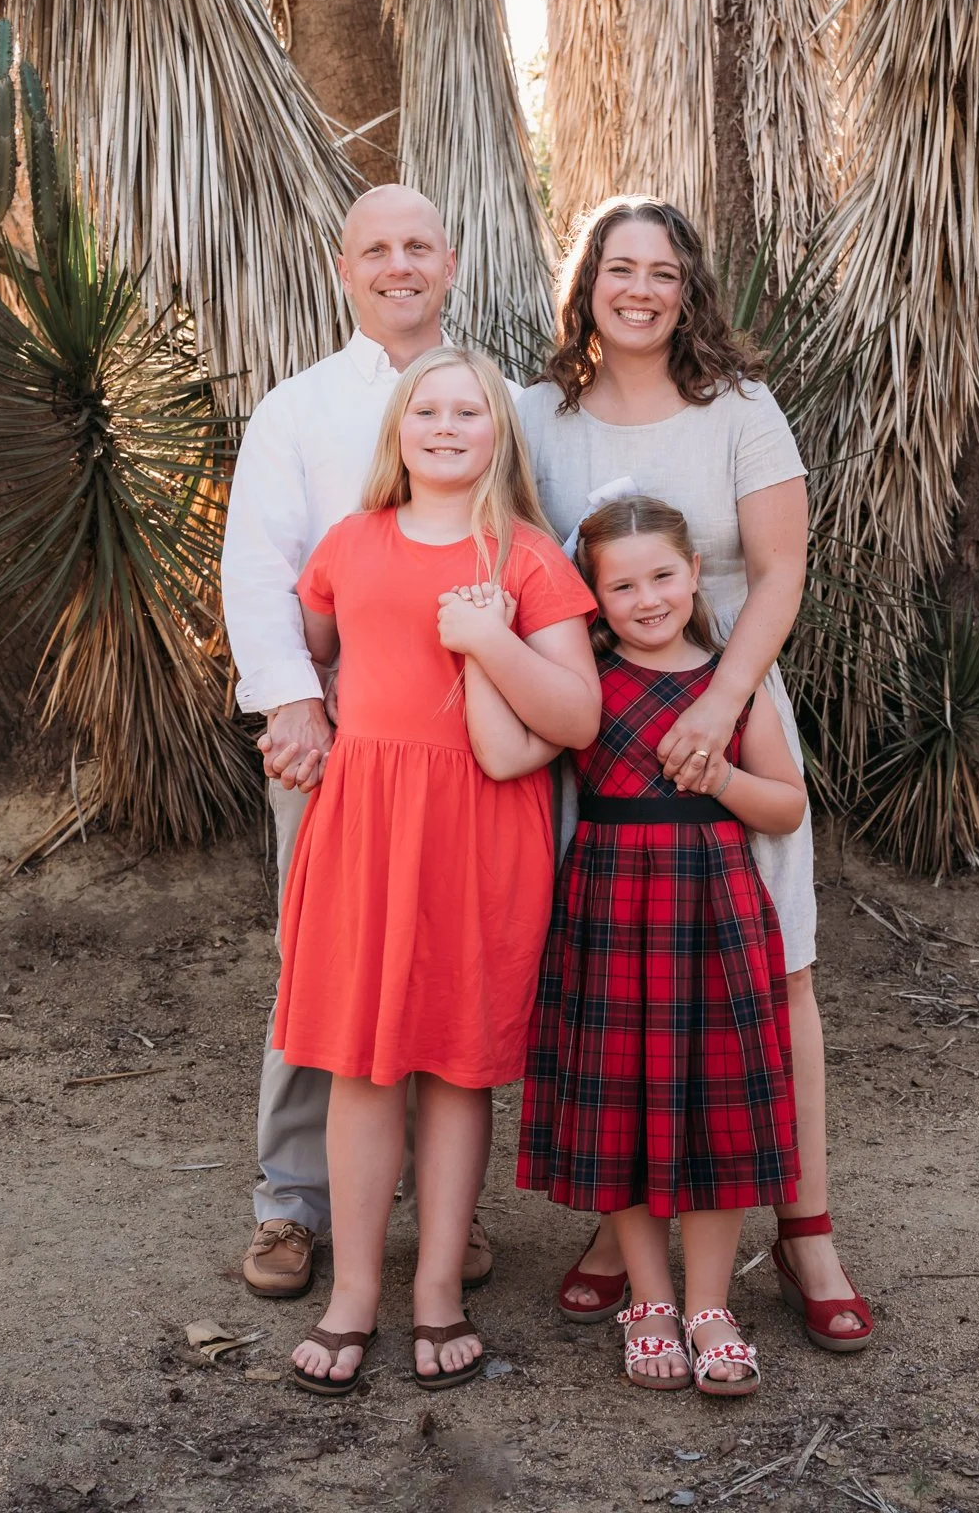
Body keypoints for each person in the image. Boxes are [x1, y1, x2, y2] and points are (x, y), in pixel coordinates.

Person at [517, 197, 874, 1353]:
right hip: (599, 739)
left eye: (662, 271)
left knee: (780, 976)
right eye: (619, 268)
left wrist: (721, 710)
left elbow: (779, 571)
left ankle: (805, 1227)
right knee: (617, 989)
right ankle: (620, 1235)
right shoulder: (539, 419)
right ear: (588, 284)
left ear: (689, 289)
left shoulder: (742, 411)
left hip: (729, 719)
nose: (640, 289)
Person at [275, 348, 600, 1394]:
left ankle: (439, 1292)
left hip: (476, 828)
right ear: (399, 431)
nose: (449, 425)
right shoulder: (349, 543)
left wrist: (489, 643)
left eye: (471, 411)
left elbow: (578, 716)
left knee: (459, 1065)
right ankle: (355, 1293)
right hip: (367, 823)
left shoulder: (531, 557)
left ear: (499, 435)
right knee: (365, 1063)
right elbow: (320, 645)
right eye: (430, 410)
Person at [221, 185, 498, 1303]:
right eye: (376, 249)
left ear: (452, 261)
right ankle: (293, 1203)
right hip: (338, 737)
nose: (399, 265)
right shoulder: (297, 410)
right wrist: (292, 700)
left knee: (449, 965)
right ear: (346, 270)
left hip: (476, 743)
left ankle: (444, 1213)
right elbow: (258, 565)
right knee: (320, 962)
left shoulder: (495, 398)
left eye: (418, 246)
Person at [517, 496, 806, 1395]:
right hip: (607, 910)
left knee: (711, 1105)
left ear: (694, 575)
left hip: (712, 910)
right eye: (622, 584)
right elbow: (505, 752)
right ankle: (649, 1301)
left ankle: (711, 1306)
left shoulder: (732, 686)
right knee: (623, 1109)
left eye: (663, 576)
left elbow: (787, 806)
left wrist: (720, 773)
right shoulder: (584, 689)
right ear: (592, 596)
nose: (647, 599)